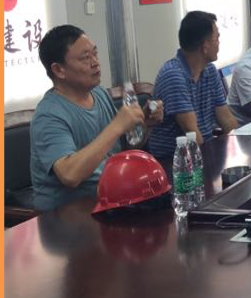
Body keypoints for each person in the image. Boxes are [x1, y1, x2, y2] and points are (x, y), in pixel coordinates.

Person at [30, 25, 164, 211]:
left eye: (95, 54)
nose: (95, 63)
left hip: (113, 198)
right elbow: (70, 175)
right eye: (85, 58)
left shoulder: (99, 94)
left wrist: (145, 124)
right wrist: (117, 126)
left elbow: (125, 149)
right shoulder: (48, 115)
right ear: (59, 70)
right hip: (68, 214)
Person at [149, 11, 238, 159]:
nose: (219, 43)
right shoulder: (173, 75)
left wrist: (240, 145)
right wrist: (210, 165)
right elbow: (192, 133)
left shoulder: (210, 71)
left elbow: (226, 118)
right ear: (205, 46)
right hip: (175, 162)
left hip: (203, 151)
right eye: (217, 38)